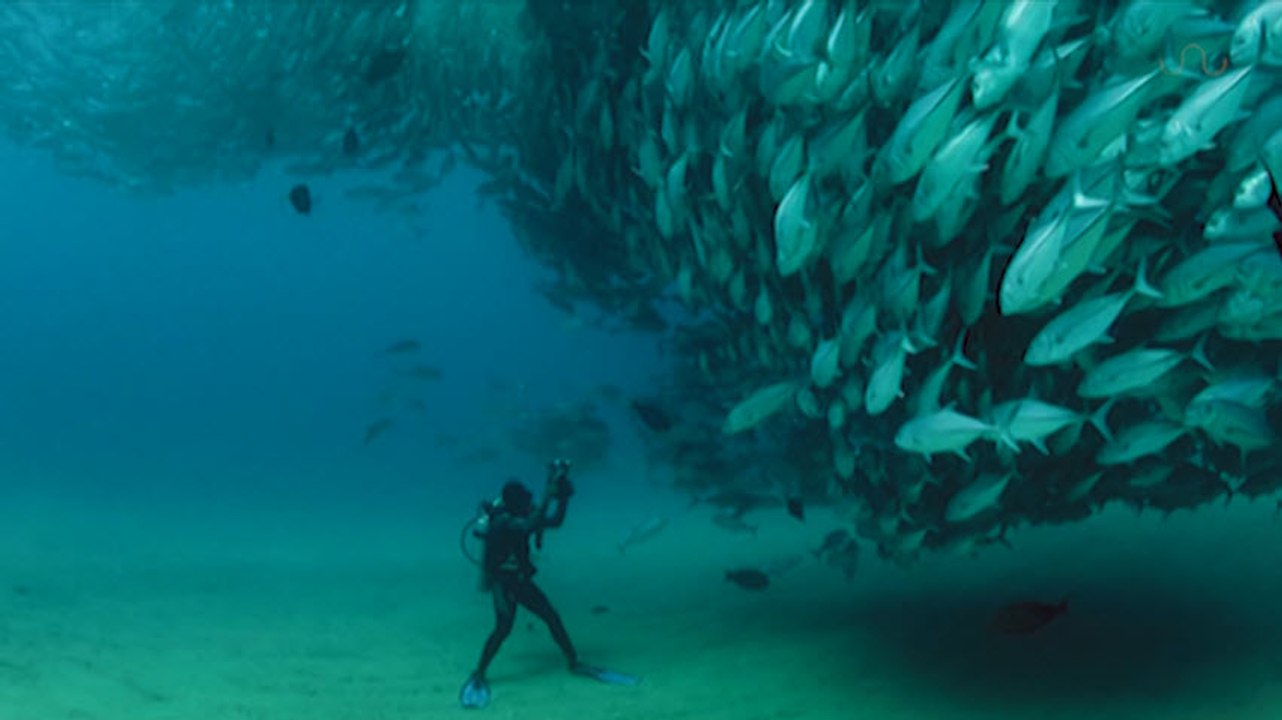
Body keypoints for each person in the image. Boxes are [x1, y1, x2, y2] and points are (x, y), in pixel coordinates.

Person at [462, 458, 635, 709]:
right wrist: (547, 493)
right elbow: (530, 524)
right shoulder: (502, 521)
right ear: (513, 502)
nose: (527, 503)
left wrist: (563, 498)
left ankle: (574, 661)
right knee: (503, 628)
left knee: (551, 616)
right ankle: (479, 672)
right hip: (504, 583)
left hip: (520, 580)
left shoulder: (520, 512)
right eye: (523, 500)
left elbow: (554, 522)